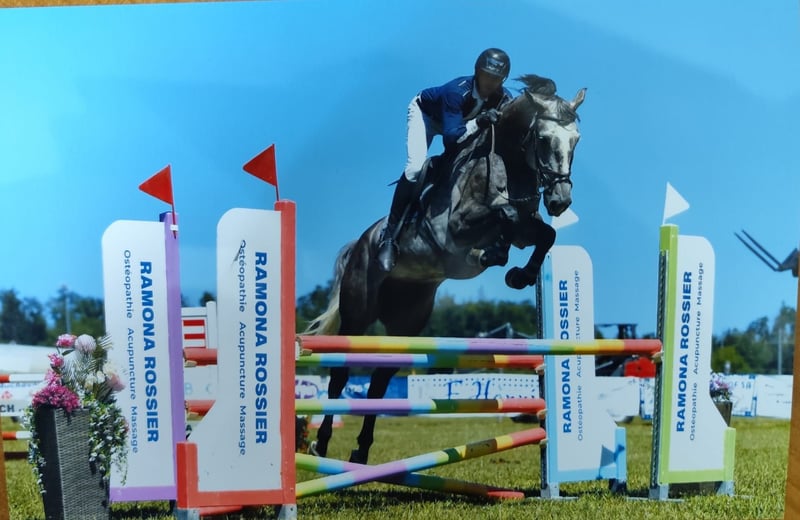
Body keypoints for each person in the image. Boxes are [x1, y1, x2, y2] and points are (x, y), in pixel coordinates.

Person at [377, 48, 514, 272]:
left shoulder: (504, 97)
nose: (490, 83)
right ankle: (389, 236)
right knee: (414, 168)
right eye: (487, 76)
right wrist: (479, 122)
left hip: (460, 124)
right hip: (427, 117)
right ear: (477, 72)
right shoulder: (456, 92)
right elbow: (451, 139)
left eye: (496, 78)